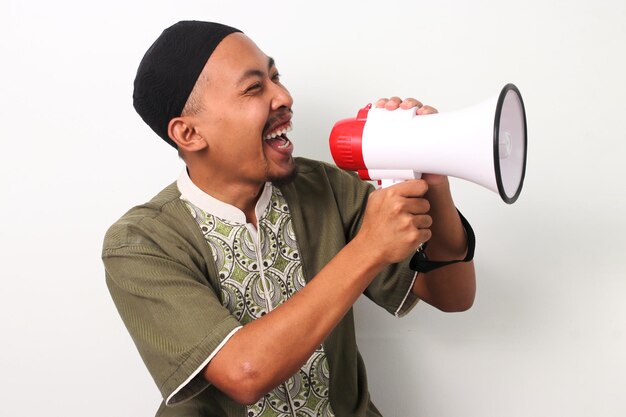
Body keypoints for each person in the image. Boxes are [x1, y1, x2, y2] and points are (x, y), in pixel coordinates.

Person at [102, 20, 476, 417]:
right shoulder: (140, 244)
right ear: (189, 133)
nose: (283, 96)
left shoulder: (326, 187)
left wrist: (432, 174)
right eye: (254, 87)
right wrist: (369, 248)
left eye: (275, 77)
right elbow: (245, 372)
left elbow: (453, 295)